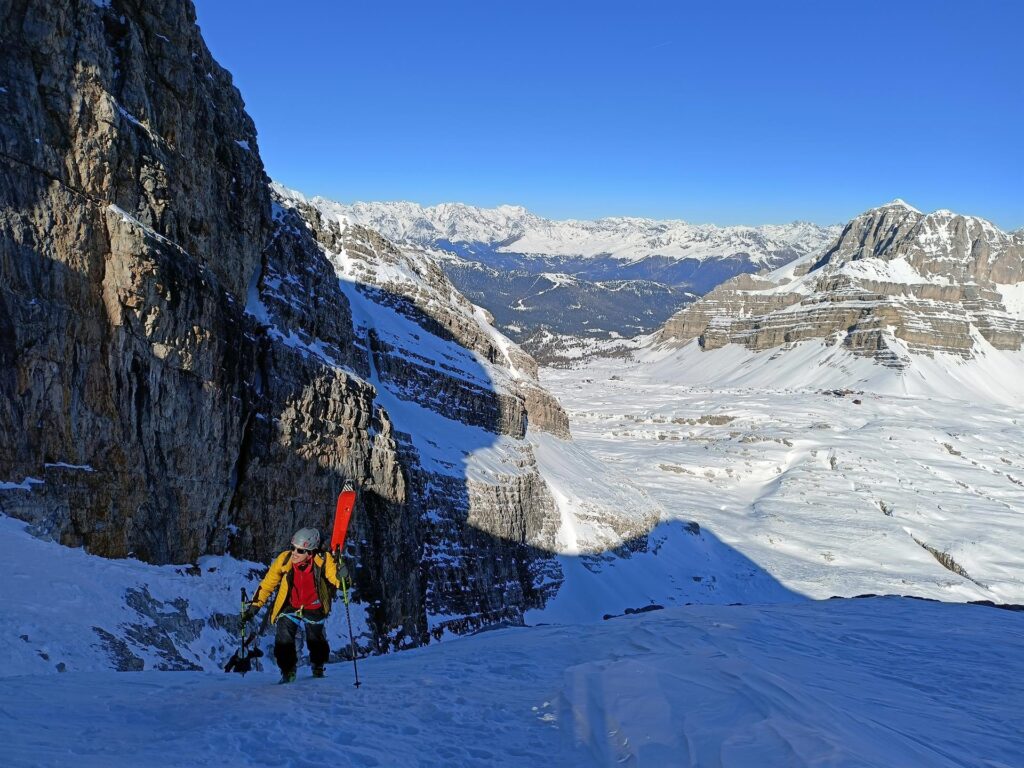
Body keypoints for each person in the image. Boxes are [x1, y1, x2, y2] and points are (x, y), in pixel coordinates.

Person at [242, 527, 347, 683]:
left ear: (310, 553)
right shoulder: (284, 559)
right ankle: (288, 671)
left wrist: (342, 571)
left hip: (314, 606)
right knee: (283, 638)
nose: (294, 553)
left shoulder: (323, 561)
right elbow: (268, 584)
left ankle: (318, 666)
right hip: (290, 605)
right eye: (293, 548)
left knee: (315, 639)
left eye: (300, 550)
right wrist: (254, 607)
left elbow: (339, 581)